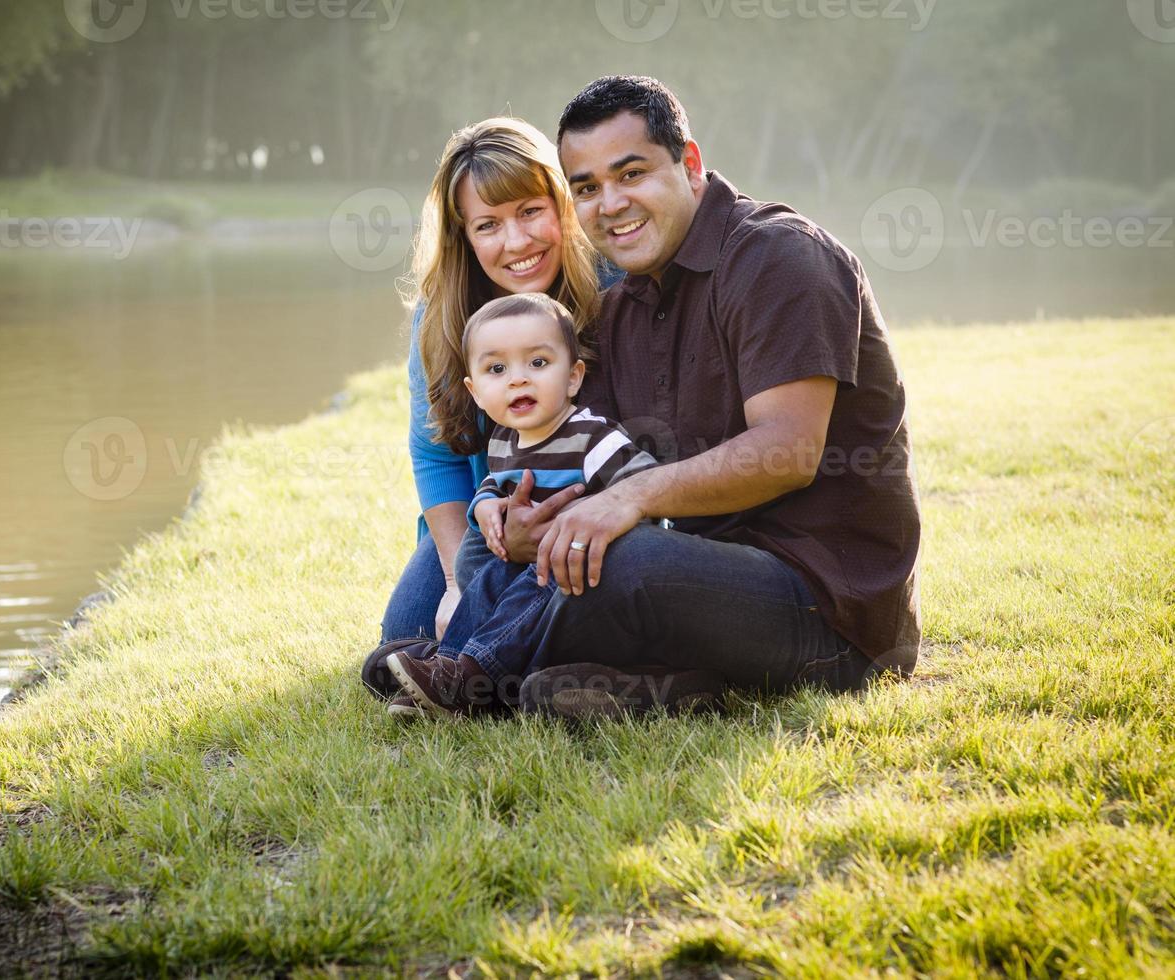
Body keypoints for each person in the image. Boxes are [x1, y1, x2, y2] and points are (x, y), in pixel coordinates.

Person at [464, 75, 923, 719]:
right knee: (548, 548)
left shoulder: (778, 257)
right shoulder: (620, 309)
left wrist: (628, 498)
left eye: (632, 173)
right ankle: (668, 685)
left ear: (690, 164)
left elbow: (788, 451)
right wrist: (523, 526)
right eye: (588, 188)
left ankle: (474, 677)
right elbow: (579, 450)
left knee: (628, 561)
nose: (611, 203)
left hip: (826, 606)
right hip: (704, 572)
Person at [363, 117, 622, 704]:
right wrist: (458, 579)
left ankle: (498, 669)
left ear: (560, 204)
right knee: (405, 634)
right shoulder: (440, 318)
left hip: (586, 509)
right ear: (464, 235)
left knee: (535, 617)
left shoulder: (611, 287)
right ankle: (479, 665)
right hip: (486, 520)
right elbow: (435, 456)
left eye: (530, 211)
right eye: (488, 225)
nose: (516, 243)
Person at [384, 293, 659, 718]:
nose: (518, 380)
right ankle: (447, 671)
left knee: (536, 579)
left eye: (538, 363)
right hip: (522, 559)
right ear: (475, 392)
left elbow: (645, 487)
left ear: (573, 377)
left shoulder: (590, 438)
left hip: (577, 572)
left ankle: (471, 676)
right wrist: (485, 507)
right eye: (498, 369)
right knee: (488, 576)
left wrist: (604, 520)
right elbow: (495, 482)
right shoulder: (505, 440)